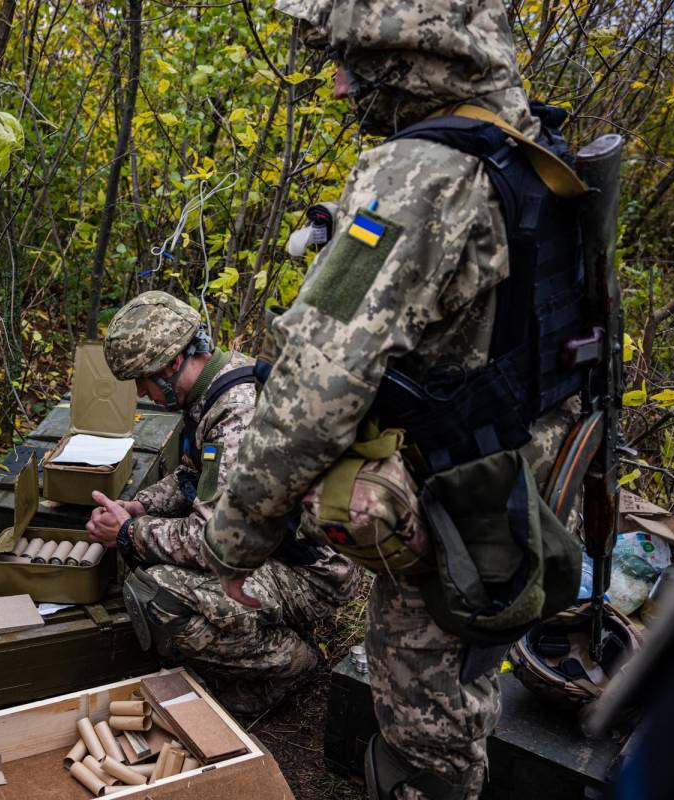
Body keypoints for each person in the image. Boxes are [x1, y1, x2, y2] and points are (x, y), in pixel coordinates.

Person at [205, 1, 592, 798]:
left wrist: (236, 531)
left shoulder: (422, 174)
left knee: (426, 730)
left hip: (456, 508)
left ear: (404, 59)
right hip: (528, 488)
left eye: (352, 64)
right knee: (468, 689)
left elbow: (319, 380)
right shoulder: (525, 144)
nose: (340, 88)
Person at [86, 291, 362, 716]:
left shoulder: (238, 412)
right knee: (151, 559)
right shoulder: (212, 388)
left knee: (160, 598)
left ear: (172, 363)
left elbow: (213, 541)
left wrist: (127, 533)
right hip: (271, 549)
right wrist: (141, 508)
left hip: (309, 573)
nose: (142, 393)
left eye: (142, 379)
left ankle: (290, 662)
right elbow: (194, 479)